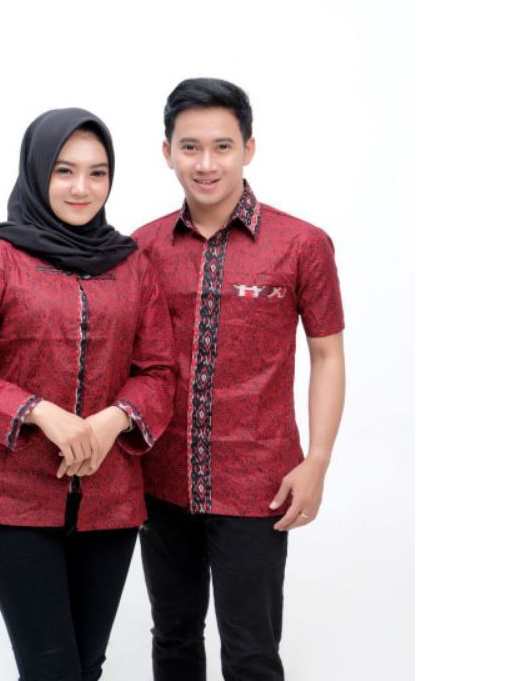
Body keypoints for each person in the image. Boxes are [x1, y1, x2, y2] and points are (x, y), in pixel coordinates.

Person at [0, 107, 175, 681]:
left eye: (97, 173)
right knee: (52, 672)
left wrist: (111, 421)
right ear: (37, 171)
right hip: (11, 502)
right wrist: (42, 413)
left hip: (110, 506)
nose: (81, 187)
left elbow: (158, 372)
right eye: (64, 170)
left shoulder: (132, 265)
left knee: (86, 668)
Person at [134, 79, 346, 681]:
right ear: (168, 153)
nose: (206, 164)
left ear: (248, 149)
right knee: (173, 637)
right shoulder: (141, 247)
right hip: (160, 479)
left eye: (222, 146)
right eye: (190, 147)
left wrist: (317, 461)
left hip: (259, 483)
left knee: (252, 651)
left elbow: (327, 356)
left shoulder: (302, 244)